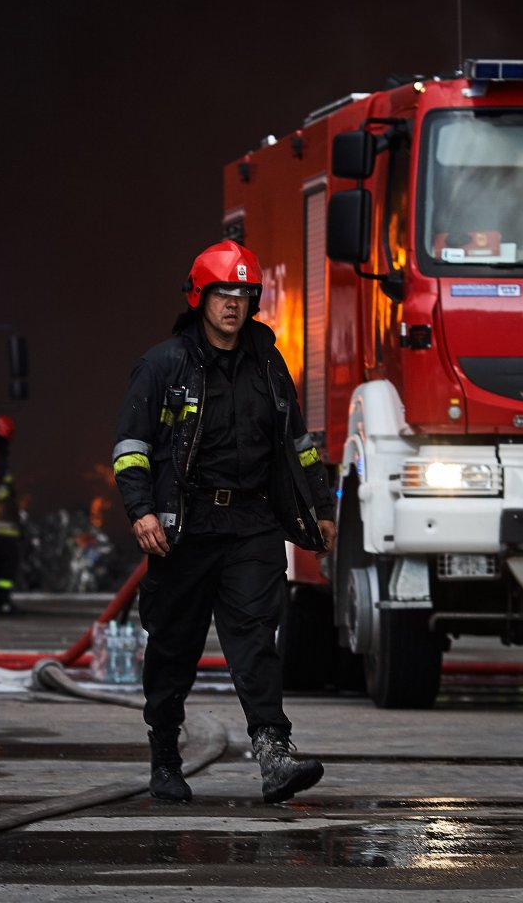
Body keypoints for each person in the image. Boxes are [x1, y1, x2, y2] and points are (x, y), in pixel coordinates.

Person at [111, 239, 336, 804]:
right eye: (222, 293)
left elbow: (299, 444)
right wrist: (140, 511)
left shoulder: (269, 362)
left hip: (253, 524)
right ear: (200, 297)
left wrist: (322, 508)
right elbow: (132, 448)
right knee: (173, 648)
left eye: (243, 292)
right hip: (183, 529)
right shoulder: (163, 365)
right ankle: (165, 755)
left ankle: (274, 757)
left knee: (256, 640)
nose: (233, 303)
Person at [0, 415, 22, 616]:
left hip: (2, 519)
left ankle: (3, 601)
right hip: (1, 520)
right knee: (7, 561)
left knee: (4, 562)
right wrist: (7, 496)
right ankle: (3, 603)